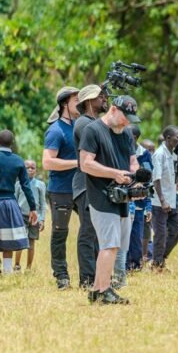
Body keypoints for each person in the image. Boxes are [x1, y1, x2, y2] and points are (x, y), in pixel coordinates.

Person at [79, 95, 140, 304]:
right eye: (125, 117)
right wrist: (115, 174)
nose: (127, 122)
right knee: (110, 245)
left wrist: (136, 177)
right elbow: (85, 164)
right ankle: (105, 291)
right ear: (113, 109)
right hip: (101, 196)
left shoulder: (125, 134)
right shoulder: (92, 130)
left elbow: (133, 162)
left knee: (116, 245)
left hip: (123, 197)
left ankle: (97, 290)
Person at [0, 131, 38, 280]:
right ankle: (7, 274)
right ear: (12, 143)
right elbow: (26, 187)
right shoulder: (18, 161)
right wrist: (33, 208)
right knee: (8, 239)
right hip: (10, 203)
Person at [43, 86, 80, 290]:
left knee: (89, 230)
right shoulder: (56, 130)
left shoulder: (80, 127)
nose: (80, 104)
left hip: (81, 189)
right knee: (60, 233)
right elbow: (48, 162)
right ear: (65, 103)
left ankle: (89, 274)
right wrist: (77, 163)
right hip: (60, 189)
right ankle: (61, 276)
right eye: (76, 100)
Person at [72, 84, 107, 289]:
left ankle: (96, 278)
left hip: (91, 184)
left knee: (95, 233)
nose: (104, 99)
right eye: (99, 97)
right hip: (84, 185)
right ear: (88, 102)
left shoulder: (92, 122)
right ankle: (86, 279)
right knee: (87, 232)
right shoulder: (84, 124)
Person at [151, 125, 178, 272]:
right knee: (161, 233)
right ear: (168, 138)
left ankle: (160, 258)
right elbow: (156, 180)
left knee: (176, 230)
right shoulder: (159, 154)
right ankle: (157, 265)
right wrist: (162, 201)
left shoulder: (173, 155)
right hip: (159, 202)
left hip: (171, 199)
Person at [125, 124, 152, 271]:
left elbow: (148, 179)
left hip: (139, 202)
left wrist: (148, 206)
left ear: (134, 138)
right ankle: (123, 265)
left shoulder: (145, 155)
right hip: (123, 200)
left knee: (136, 235)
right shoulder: (121, 150)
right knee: (123, 234)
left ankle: (135, 265)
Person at [14, 160, 47, 271]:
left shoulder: (40, 185)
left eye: (32, 168)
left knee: (31, 242)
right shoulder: (18, 184)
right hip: (21, 215)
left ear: (36, 170)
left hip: (35, 217)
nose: (30, 170)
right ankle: (17, 265)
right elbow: (15, 200)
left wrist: (42, 219)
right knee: (20, 240)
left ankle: (28, 267)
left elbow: (42, 203)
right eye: (27, 167)